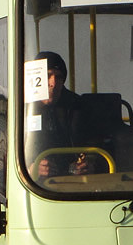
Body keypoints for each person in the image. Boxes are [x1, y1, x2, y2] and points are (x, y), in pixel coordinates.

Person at [24, 51, 89, 180]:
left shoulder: (77, 106)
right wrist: (30, 169)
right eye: (48, 76)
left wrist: (90, 164)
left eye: (58, 77)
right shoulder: (21, 108)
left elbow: (93, 143)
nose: (53, 83)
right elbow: (8, 154)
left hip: (75, 183)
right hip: (34, 187)